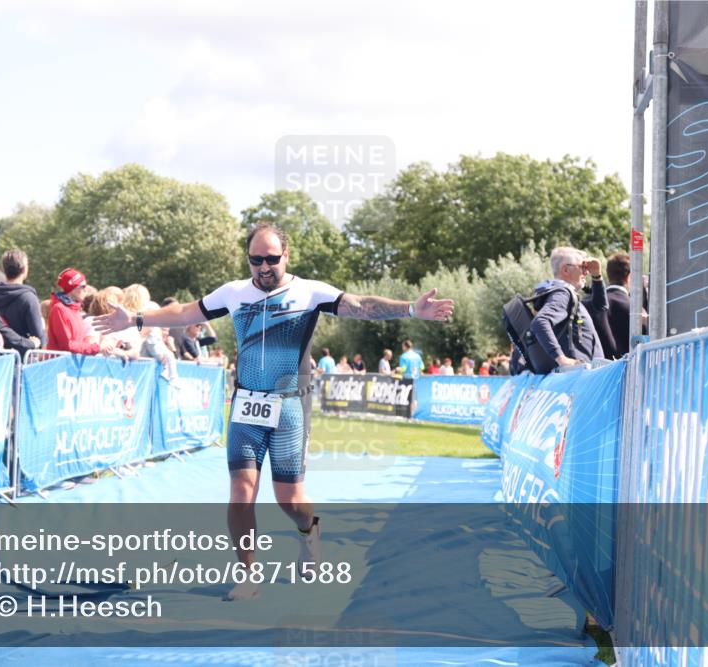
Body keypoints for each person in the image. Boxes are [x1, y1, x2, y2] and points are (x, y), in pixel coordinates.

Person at [93, 221, 454, 601]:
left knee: (290, 500)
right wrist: (133, 320)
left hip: (290, 407)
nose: (264, 267)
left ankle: (309, 529)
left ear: (287, 256)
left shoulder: (309, 292)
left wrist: (412, 309)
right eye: (255, 259)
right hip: (246, 406)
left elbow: (361, 306)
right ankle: (247, 575)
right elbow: (184, 312)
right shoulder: (234, 292)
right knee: (241, 491)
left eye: (271, 259)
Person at [523, 246, 605, 370]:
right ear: (566, 270)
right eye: (582, 267)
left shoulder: (564, 293)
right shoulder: (563, 293)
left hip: (578, 377)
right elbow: (540, 322)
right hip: (577, 378)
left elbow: (600, 307)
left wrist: (597, 277)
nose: (586, 272)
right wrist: (562, 359)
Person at [47, 268, 116, 356]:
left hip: (72, 364)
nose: (86, 290)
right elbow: (67, 345)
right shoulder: (59, 309)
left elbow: (81, 341)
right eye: (83, 286)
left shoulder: (75, 309)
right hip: (58, 365)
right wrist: (97, 348)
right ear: (71, 288)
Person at [0, 249, 47, 348]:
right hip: (23, 357)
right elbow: (38, 336)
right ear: (24, 269)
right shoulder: (29, 298)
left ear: (4, 269)